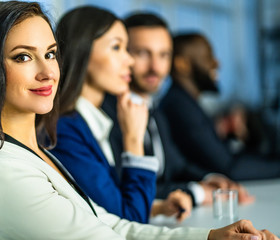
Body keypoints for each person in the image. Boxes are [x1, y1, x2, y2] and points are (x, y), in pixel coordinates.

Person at [0, 1, 278, 239]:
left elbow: (108, 224)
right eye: (23, 57)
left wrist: (211, 236)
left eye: (50, 54)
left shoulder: (33, 154)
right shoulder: (6, 173)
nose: (48, 72)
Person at [49, 6, 192, 223]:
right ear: (83, 51)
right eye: (117, 48)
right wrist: (133, 139)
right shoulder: (64, 131)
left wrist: (157, 208)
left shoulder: (87, 121)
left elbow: (109, 205)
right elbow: (128, 219)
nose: (130, 61)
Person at [102, 13, 253, 207]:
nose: (155, 67)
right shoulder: (106, 115)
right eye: (142, 53)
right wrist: (197, 192)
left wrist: (210, 180)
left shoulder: (155, 111)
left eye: (163, 55)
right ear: (123, 55)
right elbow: (128, 186)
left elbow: (177, 167)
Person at [161, 32, 280, 180]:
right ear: (182, 65)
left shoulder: (186, 103)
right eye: (207, 57)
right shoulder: (179, 107)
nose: (217, 63)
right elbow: (227, 168)